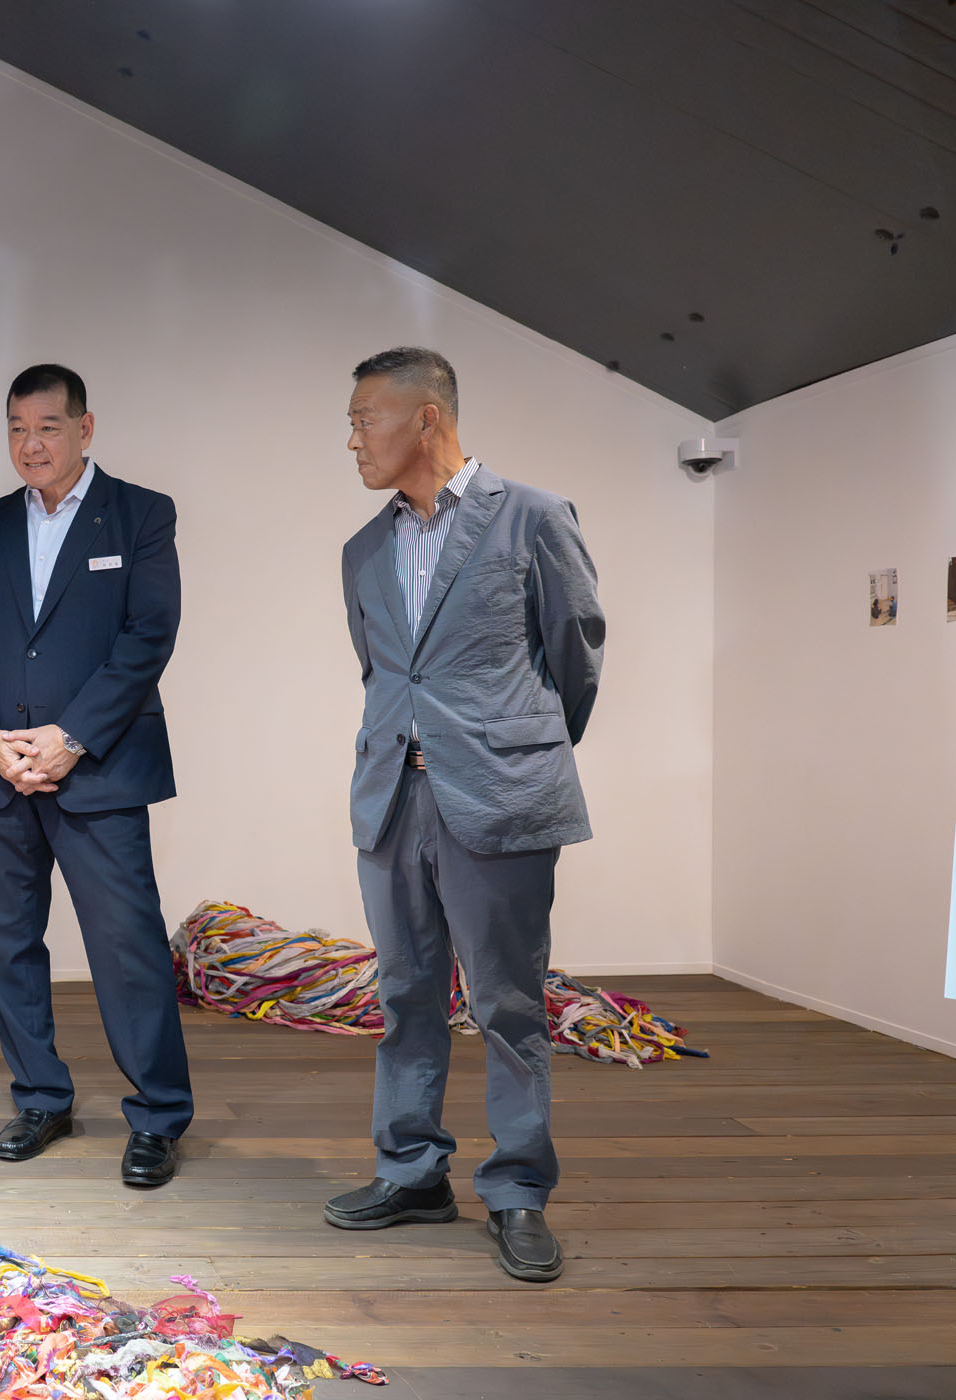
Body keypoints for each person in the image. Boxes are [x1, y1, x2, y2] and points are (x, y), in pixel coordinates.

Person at [327, 347, 605, 1281]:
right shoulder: (362, 550)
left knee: (508, 1003)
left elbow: (575, 653)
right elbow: (382, 673)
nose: (353, 437)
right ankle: (411, 1171)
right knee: (404, 995)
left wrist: (514, 752)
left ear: (428, 418)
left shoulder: (532, 517)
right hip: (391, 800)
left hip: (499, 797)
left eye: (365, 417)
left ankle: (518, 1189)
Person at [0, 363, 194, 1188]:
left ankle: (158, 1116)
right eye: (17, 429)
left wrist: (72, 738)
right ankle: (41, 1097)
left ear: (85, 429)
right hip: (0, 775)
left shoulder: (142, 513)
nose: (31, 444)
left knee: (127, 949)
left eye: (47, 427)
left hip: (99, 771)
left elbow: (149, 635)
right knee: (9, 945)